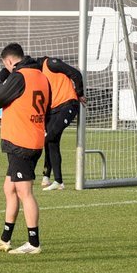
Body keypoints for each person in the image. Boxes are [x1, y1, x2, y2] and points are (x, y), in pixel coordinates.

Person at [0, 43, 52, 255]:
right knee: (10, 188)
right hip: (32, 138)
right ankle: (5, 239)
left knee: (24, 192)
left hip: (21, 141)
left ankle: (33, 243)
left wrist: (0, 78)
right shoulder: (41, 76)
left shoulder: (19, 76)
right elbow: (47, 108)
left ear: (8, 61)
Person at [34, 54, 86, 191]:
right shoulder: (38, 75)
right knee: (51, 141)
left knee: (50, 136)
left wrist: (79, 93)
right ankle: (56, 180)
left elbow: (76, 74)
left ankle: (43, 174)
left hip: (68, 104)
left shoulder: (51, 63)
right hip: (53, 110)